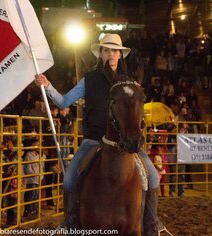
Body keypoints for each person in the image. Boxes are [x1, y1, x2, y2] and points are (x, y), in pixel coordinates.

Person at [35, 33, 162, 234]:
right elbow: (63, 101)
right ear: (100, 54)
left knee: (153, 176)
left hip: (124, 143)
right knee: (69, 178)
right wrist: (48, 86)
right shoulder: (90, 79)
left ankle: (152, 224)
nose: (110, 54)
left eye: (114, 50)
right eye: (106, 49)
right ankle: (70, 221)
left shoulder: (130, 83)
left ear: (120, 55)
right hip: (93, 139)